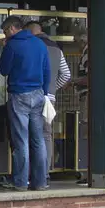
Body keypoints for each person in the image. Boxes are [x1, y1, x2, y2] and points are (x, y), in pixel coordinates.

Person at [0, 15, 51, 190]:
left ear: (12, 28)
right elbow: (47, 70)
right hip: (38, 93)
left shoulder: (12, 45)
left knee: (21, 140)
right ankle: (40, 181)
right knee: (38, 140)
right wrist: (45, 92)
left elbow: (3, 69)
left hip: (19, 95)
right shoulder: (40, 44)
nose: (4, 35)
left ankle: (20, 182)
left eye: (5, 31)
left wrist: (5, 48)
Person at [28, 22, 73, 174]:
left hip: (33, 94)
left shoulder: (32, 46)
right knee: (46, 134)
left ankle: (32, 173)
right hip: (50, 98)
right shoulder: (56, 48)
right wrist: (53, 87)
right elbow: (66, 74)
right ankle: (45, 172)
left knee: (31, 134)